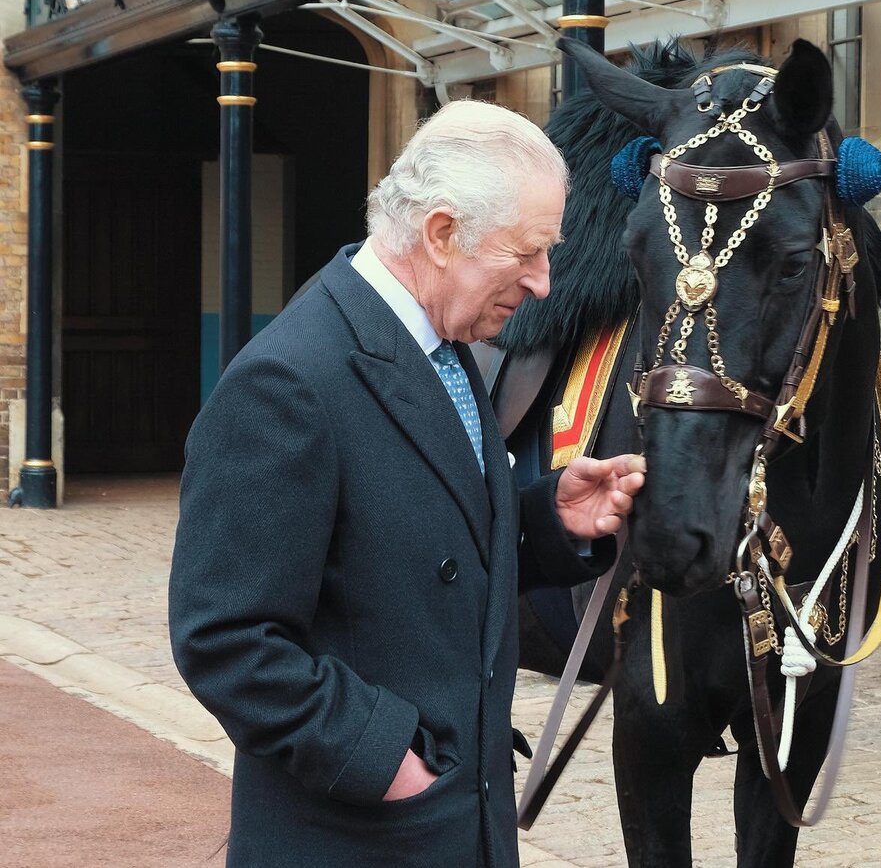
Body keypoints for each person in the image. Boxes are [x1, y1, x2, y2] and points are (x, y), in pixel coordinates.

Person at [169, 100, 645, 867]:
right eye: (526, 252)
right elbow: (225, 637)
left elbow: (412, 546)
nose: (545, 282)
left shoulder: (443, 343)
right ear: (442, 233)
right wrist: (389, 762)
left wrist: (543, 519)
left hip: (458, 827)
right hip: (361, 836)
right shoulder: (286, 384)